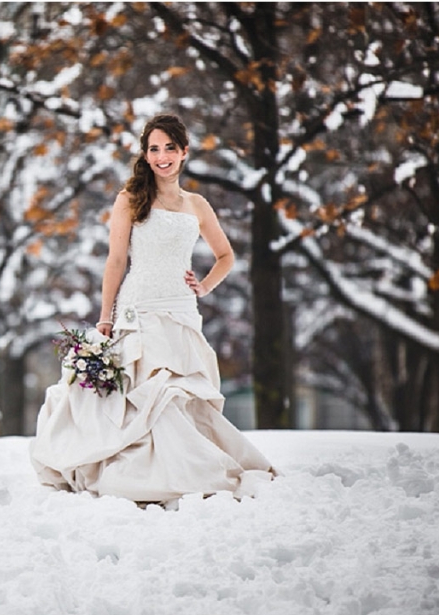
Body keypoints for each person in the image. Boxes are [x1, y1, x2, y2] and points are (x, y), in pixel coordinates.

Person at [30, 113, 275, 505]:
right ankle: (149, 477)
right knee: (152, 398)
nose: (162, 157)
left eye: (169, 149)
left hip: (180, 312)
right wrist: (106, 316)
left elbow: (225, 255)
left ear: (184, 152)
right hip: (139, 309)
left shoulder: (197, 204)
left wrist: (205, 285)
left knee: (180, 397)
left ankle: (189, 471)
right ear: (145, 155)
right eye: (154, 149)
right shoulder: (129, 200)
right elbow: (115, 261)